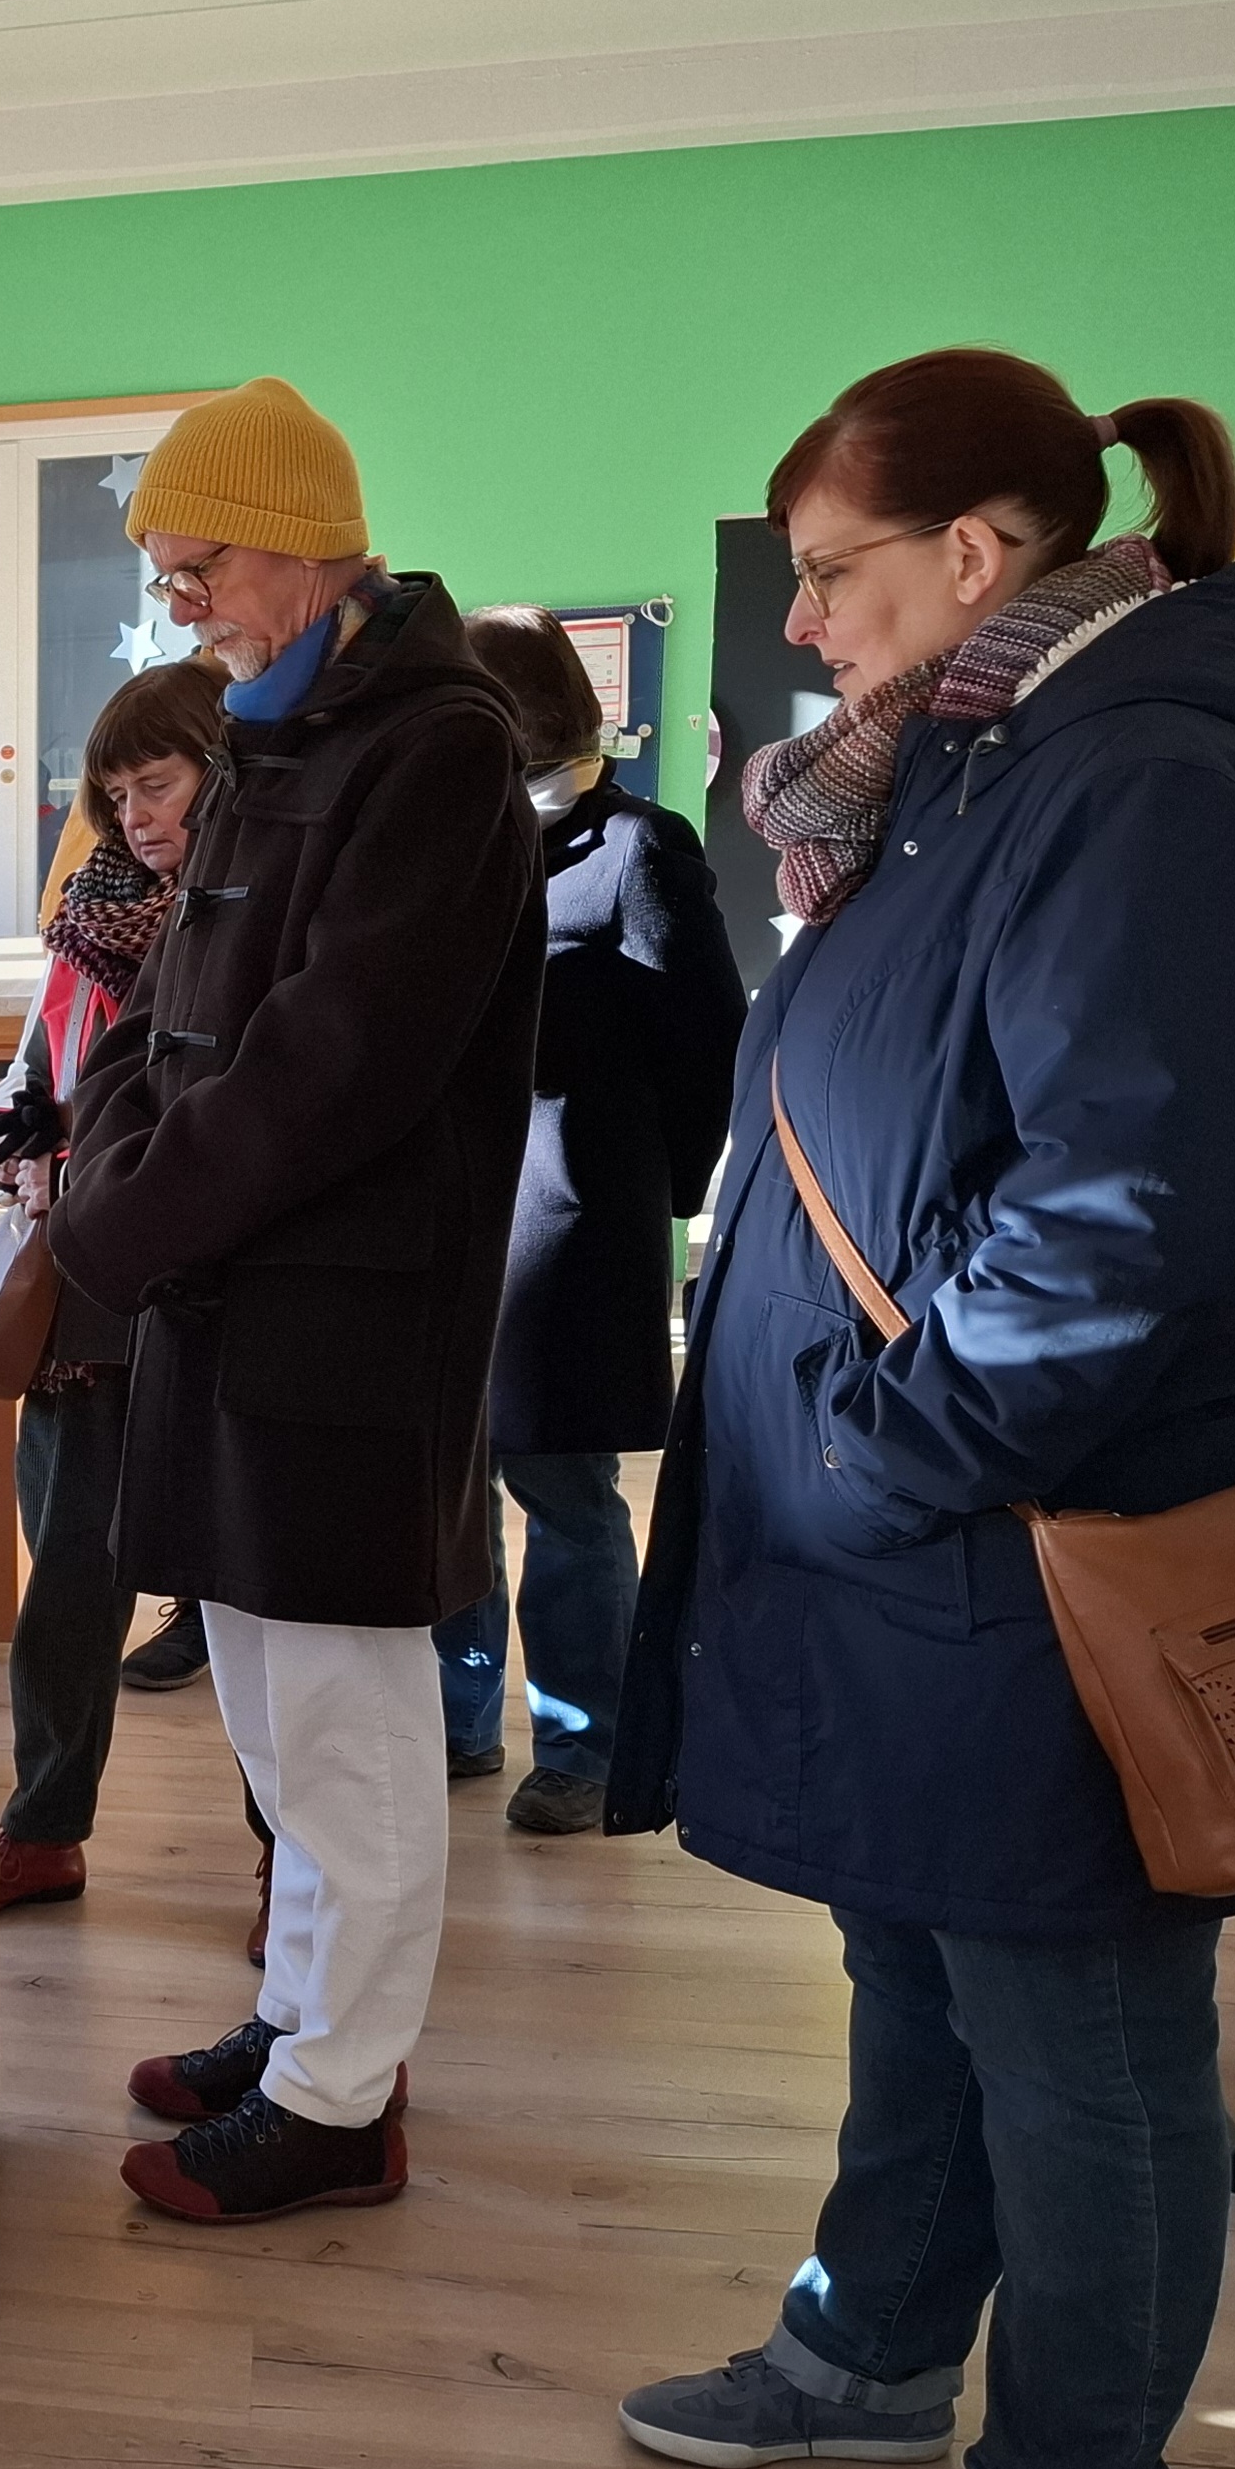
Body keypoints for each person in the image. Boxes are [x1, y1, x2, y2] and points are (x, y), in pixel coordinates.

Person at [606, 350, 1235, 2469]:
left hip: (1034, 1528)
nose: (798, 624)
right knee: (919, 1965)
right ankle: (863, 2351)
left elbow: (1119, 1199)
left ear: (972, 553)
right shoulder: (969, 761)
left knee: (1081, 2031)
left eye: (825, 573)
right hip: (924, 1535)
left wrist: (891, 1447)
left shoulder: (1139, 778)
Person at [49, 375, 540, 2223]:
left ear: (306, 545)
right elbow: (170, 1013)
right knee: (268, 1718)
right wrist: (102, 1172)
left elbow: (331, 1066)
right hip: (229, 1294)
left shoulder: (433, 751)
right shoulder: (274, 730)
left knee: (347, 1732)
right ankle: (297, 2020)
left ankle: (341, 2098)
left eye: (201, 566)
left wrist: (116, 1224)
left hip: (342, 1319)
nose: (180, 604)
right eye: (167, 574)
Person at [429, 605, 739, 1831]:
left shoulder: (636, 845)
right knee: (447, 1487)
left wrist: (652, 1194)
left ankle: (585, 1744)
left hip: (571, 1224)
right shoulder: (453, 839)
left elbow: (705, 1046)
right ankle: (455, 1723)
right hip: (448, 1223)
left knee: (559, 1487)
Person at [0, 656, 228, 1913]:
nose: (133, 816)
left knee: (241, 1600)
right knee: (68, 1583)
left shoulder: (255, 912)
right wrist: (22, 1144)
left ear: (222, 771)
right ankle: (42, 1826)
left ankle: (283, 1859)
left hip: (205, 1297)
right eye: (115, 792)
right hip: (81, 1299)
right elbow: (31, 1075)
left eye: (158, 783)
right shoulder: (86, 918)